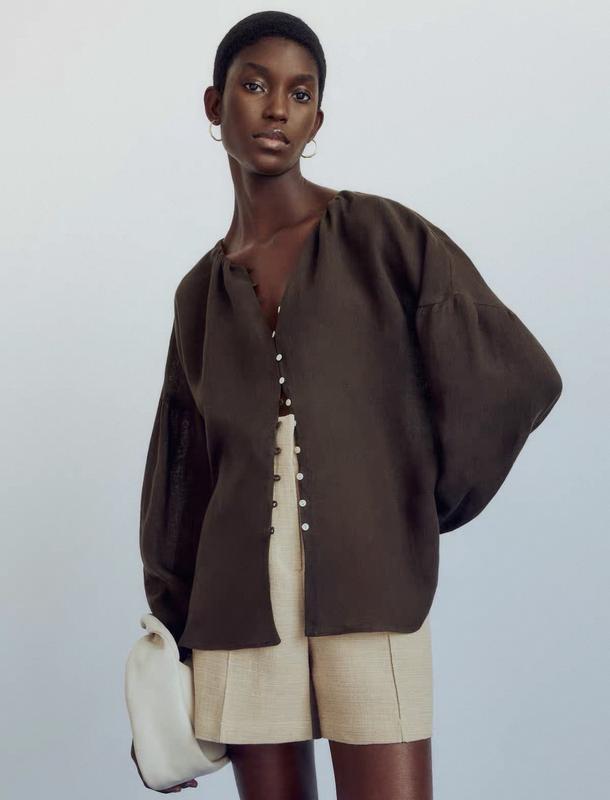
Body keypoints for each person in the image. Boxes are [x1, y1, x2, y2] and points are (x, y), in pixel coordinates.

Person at [131, 10, 562, 799]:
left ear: (317, 121)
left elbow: (515, 376)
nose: (276, 109)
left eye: (300, 94)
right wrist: (173, 618)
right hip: (236, 611)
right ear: (214, 103)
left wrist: (413, 504)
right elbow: (182, 471)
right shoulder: (198, 294)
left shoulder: (381, 235)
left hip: (373, 592)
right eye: (255, 85)